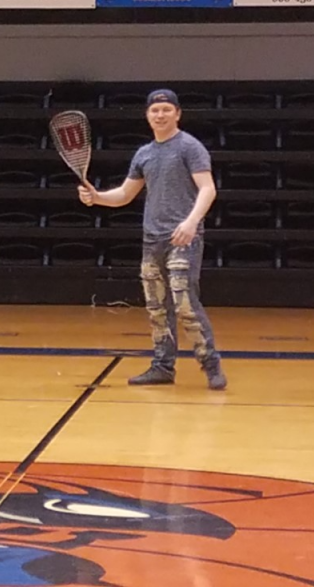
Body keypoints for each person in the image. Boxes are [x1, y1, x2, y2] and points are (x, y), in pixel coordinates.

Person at [78, 89, 226, 390]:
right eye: (155, 110)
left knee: (184, 303)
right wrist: (96, 197)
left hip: (183, 238)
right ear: (147, 115)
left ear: (178, 114)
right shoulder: (144, 154)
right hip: (152, 240)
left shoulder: (190, 147)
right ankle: (162, 366)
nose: (160, 115)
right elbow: (125, 194)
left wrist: (191, 222)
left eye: (166, 109)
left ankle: (211, 364)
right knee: (157, 306)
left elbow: (208, 189)